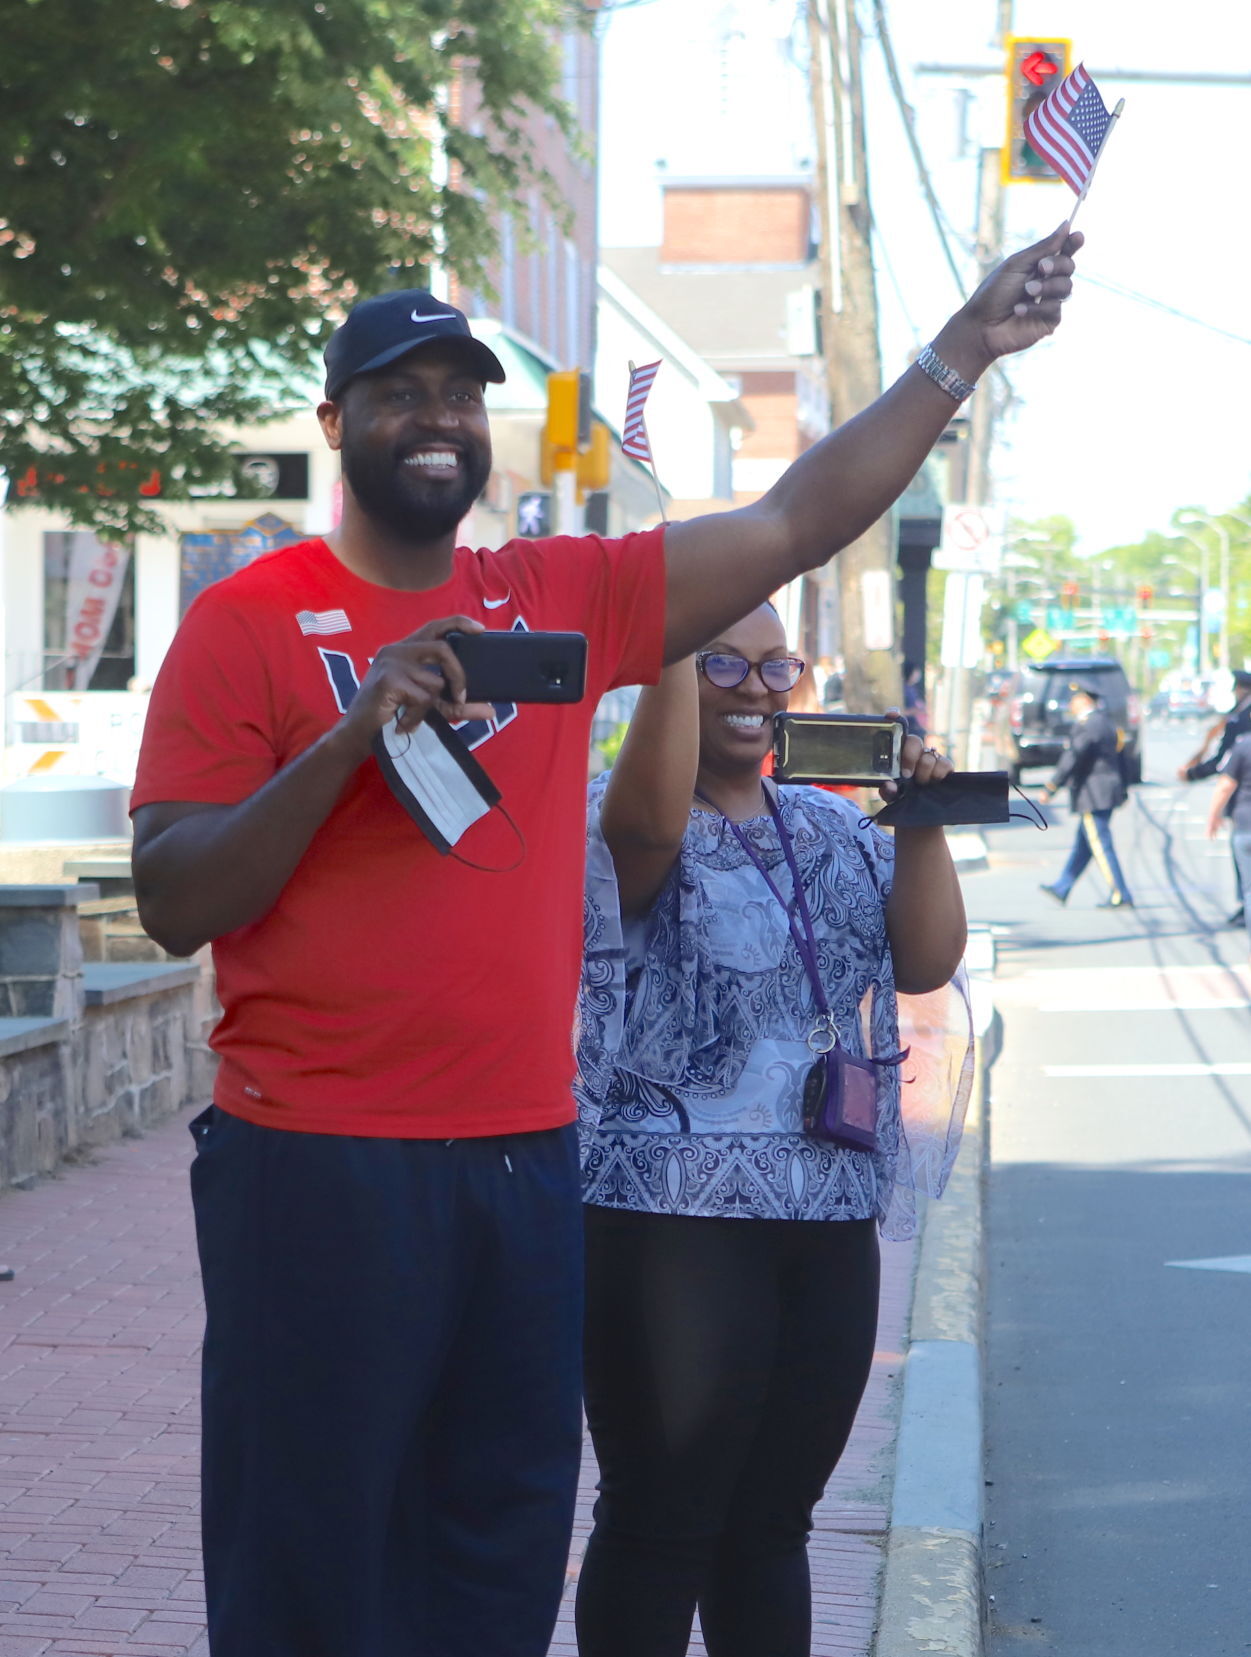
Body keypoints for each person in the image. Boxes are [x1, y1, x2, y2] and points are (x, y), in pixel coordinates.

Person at [130, 228, 1080, 1657]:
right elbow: (174, 897)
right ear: (337, 424)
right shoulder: (244, 622)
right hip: (318, 1160)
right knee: (308, 1555)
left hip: (524, 1163)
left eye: (459, 393)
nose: (435, 418)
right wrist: (350, 736)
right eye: (398, 392)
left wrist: (957, 353)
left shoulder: (554, 593)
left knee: (499, 1549)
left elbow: (792, 520)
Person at [573, 605, 971, 1657]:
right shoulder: (622, 824)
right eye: (719, 661)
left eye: (774, 665)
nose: (754, 688)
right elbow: (649, 833)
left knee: (771, 1525)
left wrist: (919, 815)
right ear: (665, 671)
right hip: (670, 1220)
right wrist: (663, 614)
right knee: (663, 1521)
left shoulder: (834, 825)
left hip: (826, 1214)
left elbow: (925, 961)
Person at [1039, 684, 1133, 909]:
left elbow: (1073, 757)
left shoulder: (1088, 725)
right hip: (1104, 790)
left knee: (1100, 844)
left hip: (1094, 793)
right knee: (1084, 844)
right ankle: (1063, 886)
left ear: (1084, 701)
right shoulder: (1105, 721)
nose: (1070, 705)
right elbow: (1122, 758)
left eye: (1073, 699)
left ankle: (1121, 893)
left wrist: (1052, 786)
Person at [1180, 669, 1251, 925]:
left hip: (1244, 807)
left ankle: (1246, 908)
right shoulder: (1237, 717)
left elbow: (1225, 766)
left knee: (1245, 862)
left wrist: (1193, 774)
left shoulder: (1238, 722)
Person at [1205, 728, 1251, 954]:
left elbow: (1225, 785)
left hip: (1245, 824)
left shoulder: (1243, 746)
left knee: (1250, 890)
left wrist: (1213, 816)